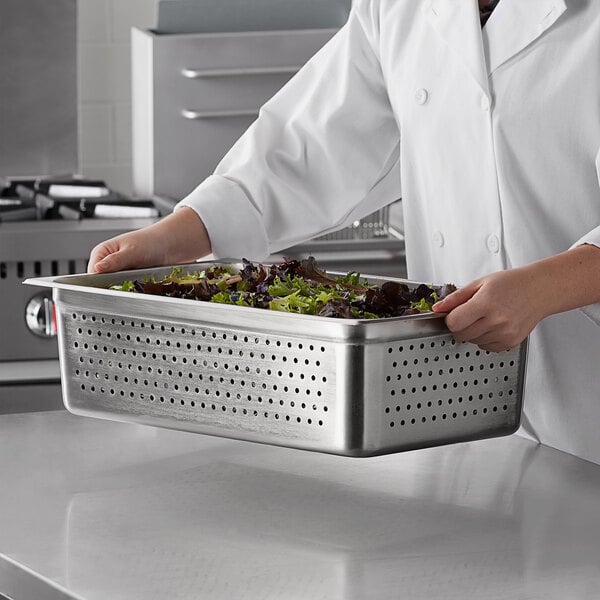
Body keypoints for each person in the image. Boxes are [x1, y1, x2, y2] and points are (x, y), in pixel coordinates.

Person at [88, 0, 600, 464]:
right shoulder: (400, 8)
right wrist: (178, 234)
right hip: (462, 413)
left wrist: (544, 287)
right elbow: (311, 143)